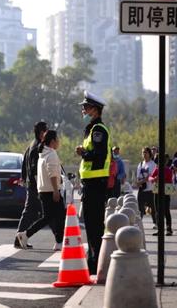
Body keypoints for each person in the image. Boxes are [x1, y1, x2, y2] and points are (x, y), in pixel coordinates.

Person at [75, 91, 111, 274]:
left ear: (95, 110)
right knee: (92, 223)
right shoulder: (93, 128)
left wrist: (84, 153)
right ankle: (94, 259)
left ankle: (95, 262)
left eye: (87, 107)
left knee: (94, 223)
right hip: (92, 182)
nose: (84, 110)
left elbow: (99, 155)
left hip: (95, 182)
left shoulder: (98, 130)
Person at [16, 130, 66, 251]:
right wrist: (55, 190)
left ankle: (26, 235)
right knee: (57, 216)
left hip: (43, 190)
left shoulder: (42, 154)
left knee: (50, 217)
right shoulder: (52, 154)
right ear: (53, 141)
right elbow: (53, 174)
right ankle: (57, 242)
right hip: (51, 190)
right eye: (57, 139)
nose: (59, 142)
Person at [14, 121, 48, 249]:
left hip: (31, 185)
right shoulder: (37, 147)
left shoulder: (31, 145)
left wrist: (24, 179)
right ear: (41, 133)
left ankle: (20, 237)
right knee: (50, 213)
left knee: (29, 213)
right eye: (46, 131)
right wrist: (39, 185)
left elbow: (24, 164)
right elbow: (34, 169)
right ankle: (60, 239)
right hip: (36, 186)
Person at [149, 155, 173, 236]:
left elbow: (168, 179)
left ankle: (169, 229)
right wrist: (154, 179)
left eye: (165, 160)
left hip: (165, 193)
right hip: (157, 192)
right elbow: (150, 178)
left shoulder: (168, 170)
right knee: (158, 211)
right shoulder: (157, 169)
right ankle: (160, 229)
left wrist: (158, 178)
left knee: (166, 211)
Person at [136, 147, 157, 226]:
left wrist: (141, 181)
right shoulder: (141, 164)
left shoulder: (153, 164)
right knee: (140, 208)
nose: (144, 154)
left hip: (150, 189)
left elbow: (151, 176)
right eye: (143, 152)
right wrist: (138, 182)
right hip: (142, 189)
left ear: (149, 154)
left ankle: (156, 223)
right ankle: (139, 223)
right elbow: (138, 176)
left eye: (146, 152)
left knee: (153, 208)